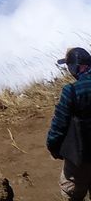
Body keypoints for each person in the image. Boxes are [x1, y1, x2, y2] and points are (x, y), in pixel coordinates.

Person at [49, 47, 91, 200]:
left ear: (76, 66)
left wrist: (53, 147)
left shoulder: (71, 91)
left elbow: (59, 125)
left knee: (71, 192)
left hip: (81, 155)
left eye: (68, 66)